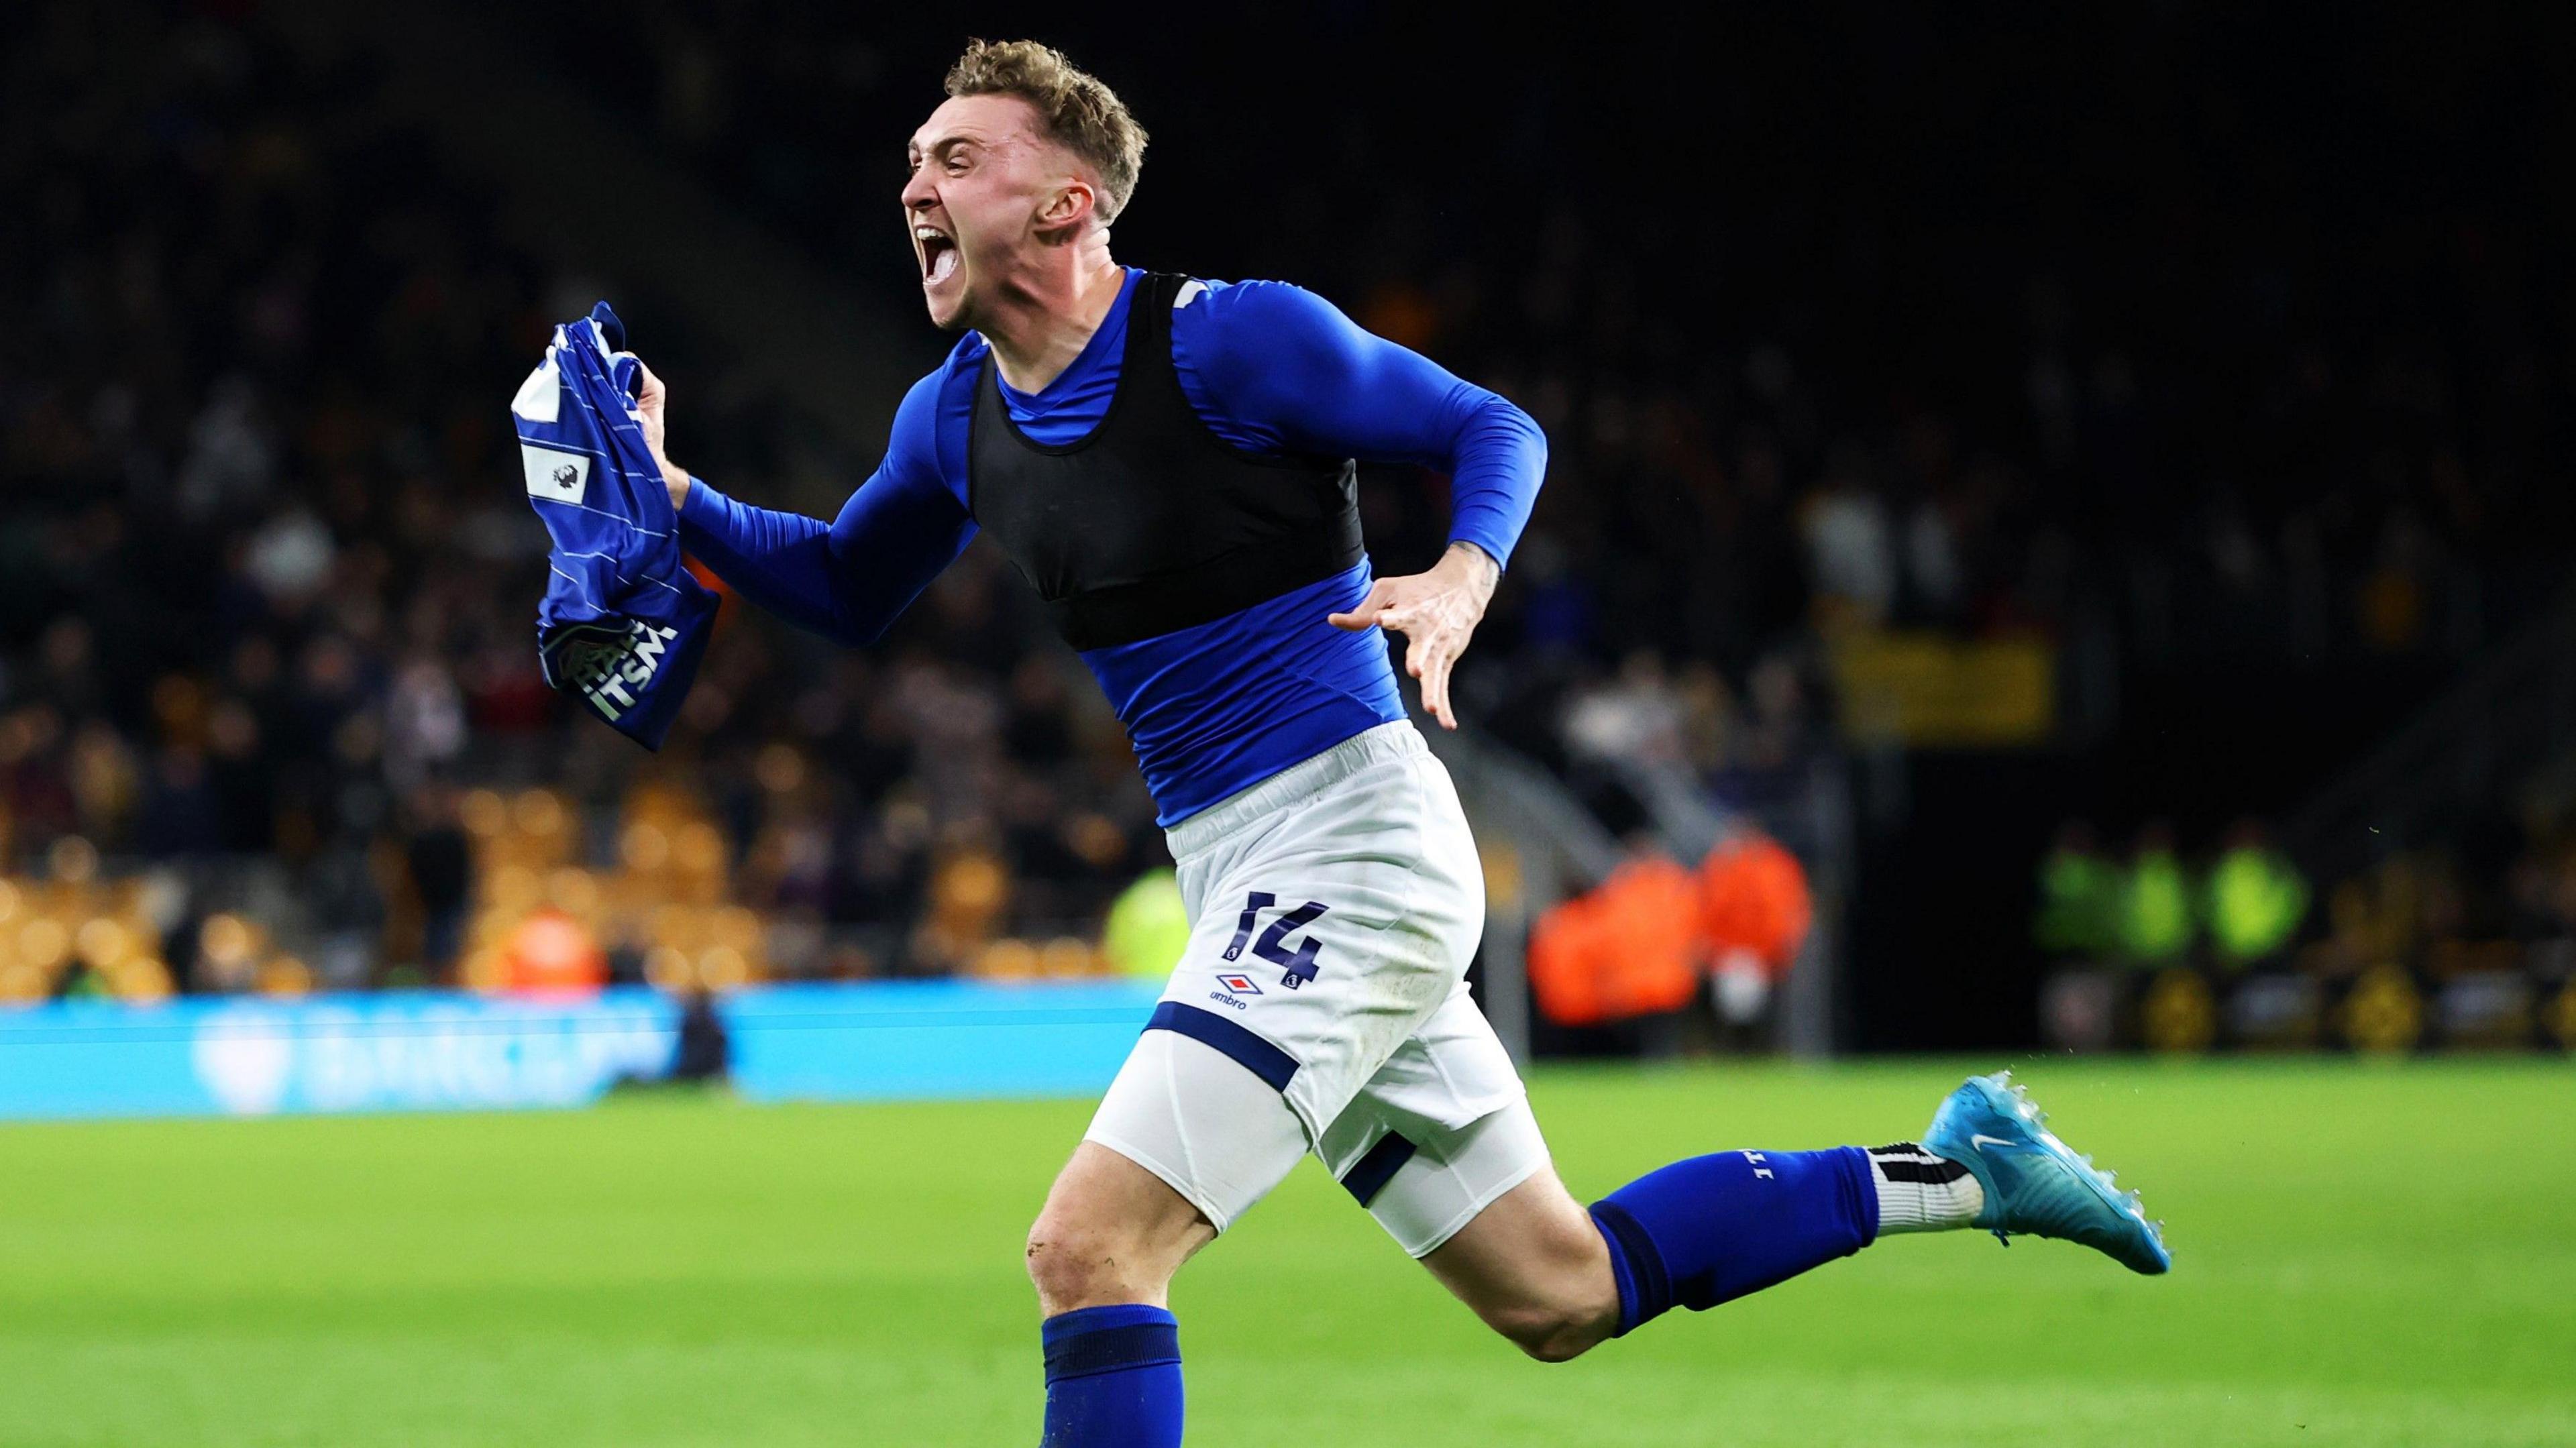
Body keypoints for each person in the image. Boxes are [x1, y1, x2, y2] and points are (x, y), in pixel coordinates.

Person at [627, 40, 2169, 1445]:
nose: (914, 183)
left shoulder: (1229, 342)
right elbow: (839, 579)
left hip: (1352, 844)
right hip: (1249, 873)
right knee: (1561, 1290)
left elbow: (1499, 428)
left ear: (1068, 200)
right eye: (913, 160)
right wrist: (672, 488)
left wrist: (1459, 576)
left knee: (1090, 1250)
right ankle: (1965, 1169)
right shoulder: (948, 417)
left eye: (956, 157)